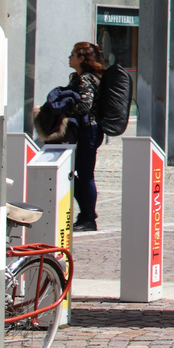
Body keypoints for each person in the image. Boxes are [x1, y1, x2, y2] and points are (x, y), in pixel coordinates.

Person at [65, 42, 106, 232]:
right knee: (77, 173)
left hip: (87, 131)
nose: (70, 57)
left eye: (73, 54)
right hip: (91, 131)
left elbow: (84, 106)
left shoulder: (85, 79)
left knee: (83, 174)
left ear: (81, 58)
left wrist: (61, 111)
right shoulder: (89, 77)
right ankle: (86, 214)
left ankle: (88, 217)